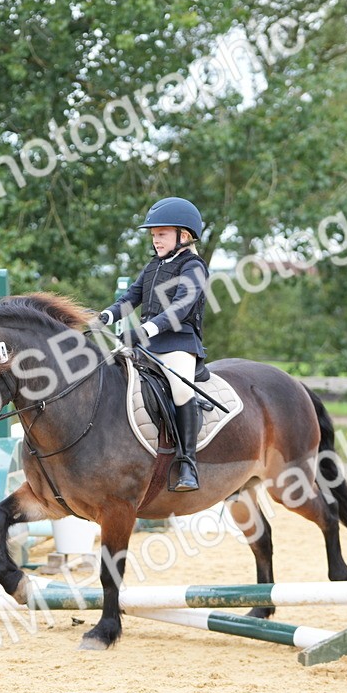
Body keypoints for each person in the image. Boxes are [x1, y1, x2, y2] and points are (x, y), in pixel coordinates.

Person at [99, 196, 209, 492]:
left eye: (161, 234)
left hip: (179, 343)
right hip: (147, 344)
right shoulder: (153, 267)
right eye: (153, 235)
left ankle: (188, 463)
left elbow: (181, 308)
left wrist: (143, 329)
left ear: (182, 236)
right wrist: (106, 316)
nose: (156, 240)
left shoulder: (194, 266)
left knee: (181, 386)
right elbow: (130, 298)